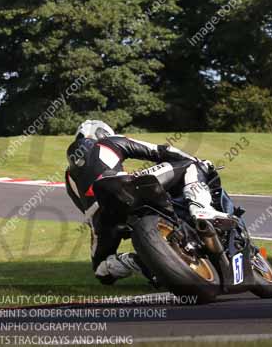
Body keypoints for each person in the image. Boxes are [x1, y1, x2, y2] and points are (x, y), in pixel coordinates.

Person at [64, 119, 227, 286]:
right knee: (191, 165)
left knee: (101, 271)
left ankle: (135, 261)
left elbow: (84, 206)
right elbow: (159, 151)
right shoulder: (109, 141)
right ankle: (201, 209)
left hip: (99, 217)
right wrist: (198, 160)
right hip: (125, 185)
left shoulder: (68, 176)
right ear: (104, 133)